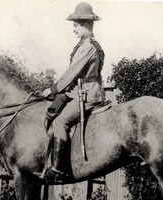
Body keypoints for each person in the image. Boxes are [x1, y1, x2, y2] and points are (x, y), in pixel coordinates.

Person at [40, 2, 105, 183]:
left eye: (75, 26)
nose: (73, 29)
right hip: (79, 91)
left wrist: (52, 90)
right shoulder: (88, 44)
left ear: (85, 25)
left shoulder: (87, 47)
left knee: (60, 122)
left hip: (87, 94)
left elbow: (71, 73)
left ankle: (58, 169)